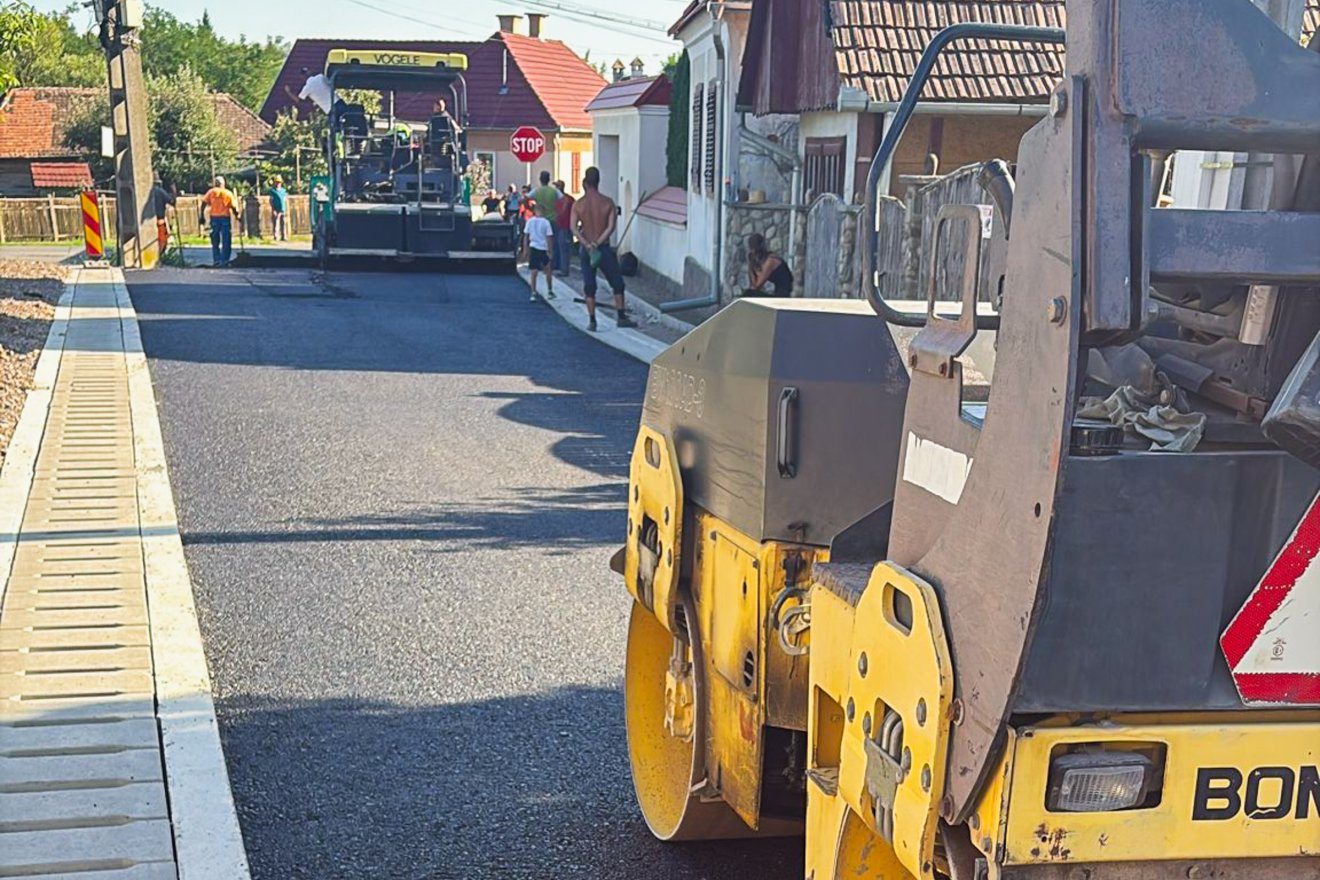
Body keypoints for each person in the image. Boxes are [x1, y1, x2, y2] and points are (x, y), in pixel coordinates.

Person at [570, 166, 636, 332]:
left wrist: (586, 243)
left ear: (585, 182)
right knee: (617, 283)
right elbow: (610, 227)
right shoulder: (607, 203)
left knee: (589, 285)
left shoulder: (579, 204)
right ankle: (621, 316)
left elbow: (574, 228)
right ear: (598, 182)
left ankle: (592, 320)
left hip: (586, 250)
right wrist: (597, 243)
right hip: (603, 248)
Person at [202, 175, 241, 267]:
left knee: (215, 240)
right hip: (224, 217)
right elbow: (233, 206)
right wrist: (237, 215)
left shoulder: (211, 192)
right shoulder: (227, 193)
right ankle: (225, 260)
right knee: (226, 239)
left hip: (214, 217)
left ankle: (217, 259)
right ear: (223, 184)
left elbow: (203, 203)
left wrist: (201, 216)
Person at [522, 203, 556, 302]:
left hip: (533, 247)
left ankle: (533, 292)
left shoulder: (530, 221)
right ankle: (549, 291)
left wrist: (525, 249)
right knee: (548, 270)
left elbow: (526, 236)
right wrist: (550, 251)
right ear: (543, 212)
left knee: (534, 271)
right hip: (543, 248)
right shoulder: (546, 223)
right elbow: (549, 237)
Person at [743, 233, 794, 297]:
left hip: (783, 295)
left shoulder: (770, 261)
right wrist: (751, 266)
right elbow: (753, 285)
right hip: (778, 292)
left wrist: (752, 266)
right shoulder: (765, 261)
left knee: (750, 294)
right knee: (749, 293)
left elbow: (757, 285)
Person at [552, 179, 574, 277]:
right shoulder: (568, 199)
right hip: (561, 225)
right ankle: (558, 266)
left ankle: (564, 269)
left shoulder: (565, 200)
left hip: (564, 226)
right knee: (558, 247)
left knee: (563, 248)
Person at [149, 177, 175, 256]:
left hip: (146, 223)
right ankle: (158, 256)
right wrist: (174, 191)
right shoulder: (160, 191)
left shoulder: (144, 193)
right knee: (162, 241)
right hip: (159, 220)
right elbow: (172, 201)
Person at [269, 176, 288, 242]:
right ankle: (276, 236)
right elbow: (271, 200)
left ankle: (284, 236)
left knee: (284, 223)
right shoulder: (272, 191)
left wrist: (286, 209)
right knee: (276, 223)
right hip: (276, 209)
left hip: (283, 209)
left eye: (279, 182)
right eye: (277, 182)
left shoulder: (283, 191)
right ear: (274, 183)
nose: (278, 184)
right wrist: (273, 209)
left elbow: (285, 200)